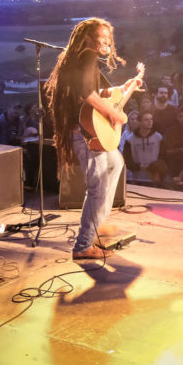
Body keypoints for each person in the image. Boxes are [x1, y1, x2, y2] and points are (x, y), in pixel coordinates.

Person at [45, 18, 143, 260]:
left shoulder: (77, 59)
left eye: (108, 37)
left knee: (116, 163)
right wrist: (113, 113)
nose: (106, 41)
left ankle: (97, 221)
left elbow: (91, 92)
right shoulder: (87, 56)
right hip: (86, 132)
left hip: (86, 130)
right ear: (87, 37)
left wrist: (122, 88)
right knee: (97, 188)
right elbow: (86, 93)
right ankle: (83, 245)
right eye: (101, 36)